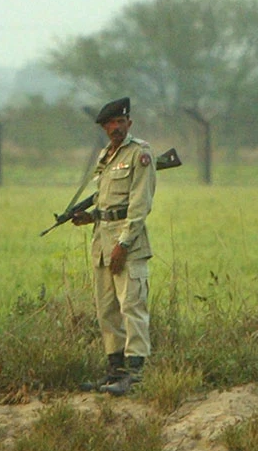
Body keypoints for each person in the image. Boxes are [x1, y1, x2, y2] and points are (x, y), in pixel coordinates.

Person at [71, 97, 157, 396]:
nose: (115, 128)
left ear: (129, 124)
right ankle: (114, 371)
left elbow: (139, 204)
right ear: (104, 128)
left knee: (132, 306)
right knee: (107, 309)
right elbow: (106, 200)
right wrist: (89, 216)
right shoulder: (105, 156)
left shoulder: (140, 153)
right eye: (110, 124)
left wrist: (123, 243)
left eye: (120, 122)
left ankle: (135, 375)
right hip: (102, 241)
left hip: (127, 243)